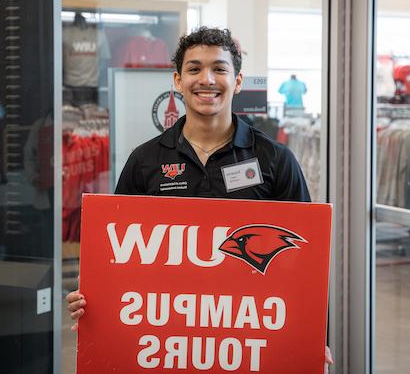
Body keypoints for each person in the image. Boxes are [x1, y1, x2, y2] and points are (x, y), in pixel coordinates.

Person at [66, 27, 333, 371]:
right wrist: (92, 300)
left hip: (250, 339)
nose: (206, 79)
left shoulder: (275, 159)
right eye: (194, 69)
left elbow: (305, 260)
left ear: (237, 81)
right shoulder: (145, 160)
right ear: (178, 80)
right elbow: (115, 258)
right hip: (166, 341)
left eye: (219, 69)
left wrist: (314, 333)